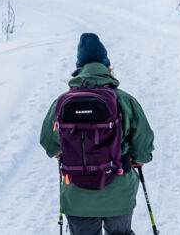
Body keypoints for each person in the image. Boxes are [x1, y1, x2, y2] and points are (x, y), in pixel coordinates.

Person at [40, 33, 155, 235]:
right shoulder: (125, 100)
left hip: (76, 193)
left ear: (78, 68)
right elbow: (143, 143)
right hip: (118, 192)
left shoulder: (62, 101)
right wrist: (139, 159)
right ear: (107, 66)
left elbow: (49, 143)